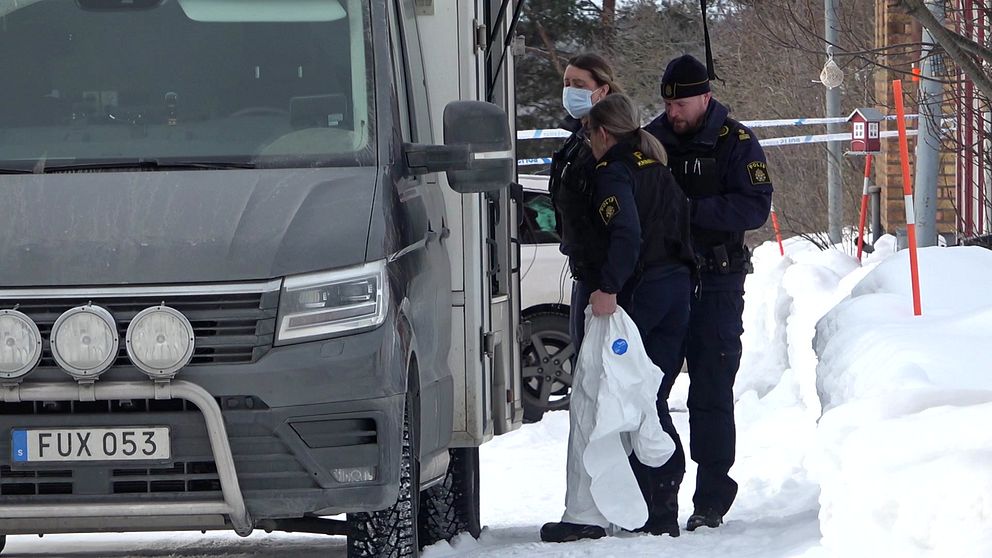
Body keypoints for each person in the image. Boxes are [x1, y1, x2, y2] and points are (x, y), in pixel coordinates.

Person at [541, 93, 696, 543]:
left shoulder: (615, 173)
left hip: (636, 296)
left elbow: (626, 233)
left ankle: (590, 513)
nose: (587, 141)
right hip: (674, 293)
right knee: (650, 398)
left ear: (603, 133)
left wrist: (607, 287)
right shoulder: (658, 168)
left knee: (602, 396)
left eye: (589, 133)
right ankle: (661, 509)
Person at [644, 54, 773, 532]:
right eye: (667, 103)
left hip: (716, 282)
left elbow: (754, 206)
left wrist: (688, 213)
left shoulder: (735, 142)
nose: (673, 112)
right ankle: (657, 494)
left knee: (711, 390)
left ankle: (711, 498)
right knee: (649, 389)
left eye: (680, 103)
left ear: (705, 97)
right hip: (661, 281)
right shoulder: (652, 139)